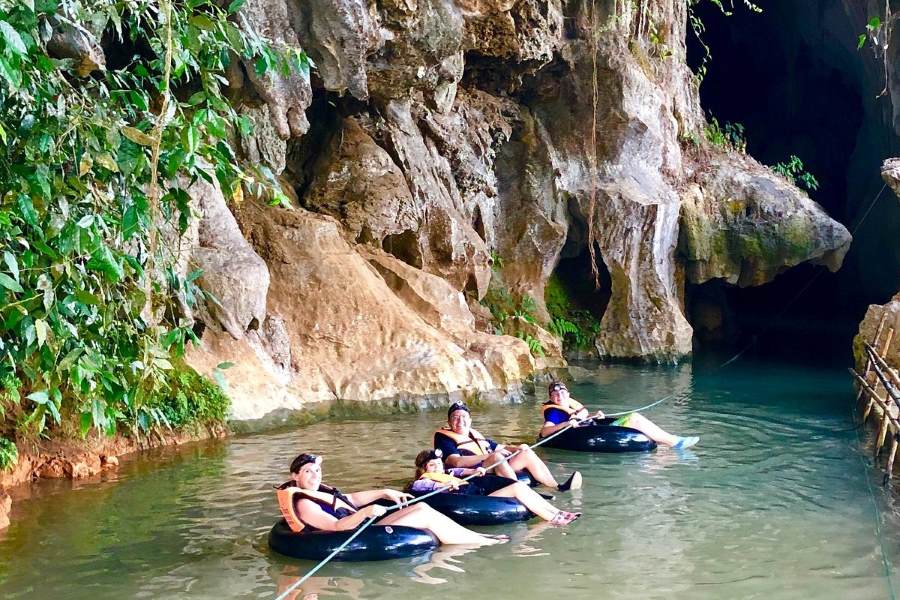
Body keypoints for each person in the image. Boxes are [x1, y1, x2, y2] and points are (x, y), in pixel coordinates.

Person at [276, 453, 506, 546]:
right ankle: (483, 542)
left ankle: (478, 536)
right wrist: (366, 512)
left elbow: (351, 499)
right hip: (356, 534)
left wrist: (385, 492)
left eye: (317, 470)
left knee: (422, 505)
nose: (315, 475)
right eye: (308, 471)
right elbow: (336, 526)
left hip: (364, 525)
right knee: (423, 514)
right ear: (295, 476)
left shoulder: (320, 491)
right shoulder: (304, 503)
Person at [434, 402, 582, 491]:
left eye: (463, 417)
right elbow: (455, 462)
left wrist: (518, 448)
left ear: (470, 420)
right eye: (455, 417)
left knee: (526, 452)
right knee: (496, 456)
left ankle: (557, 487)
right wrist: (489, 456)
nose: (460, 421)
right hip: (473, 473)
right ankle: (522, 493)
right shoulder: (443, 437)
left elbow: (499, 446)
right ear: (449, 421)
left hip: (493, 466)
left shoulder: (475, 435)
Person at [409, 448, 581, 525]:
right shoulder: (423, 481)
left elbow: (461, 471)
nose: (437, 468)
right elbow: (423, 486)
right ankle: (553, 519)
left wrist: (477, 470)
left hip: (476, 494)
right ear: (424, 469)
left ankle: (557, 512)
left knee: (518, 486)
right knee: (517, 488)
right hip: (472, 501)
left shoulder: (449, 473)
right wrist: (445, 485)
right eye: (432, 465)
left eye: (438, 464)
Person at [540, 381, 700, 449]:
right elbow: (545, 432)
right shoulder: (554, 412)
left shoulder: (570, 405)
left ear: (568, 394)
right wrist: (566, 424)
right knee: (634, 418)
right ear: (551, 398)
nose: (559, 396)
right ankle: (674, 442)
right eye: (554, 394)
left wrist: (595, 417)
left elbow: (582, 419)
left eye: (561, 392)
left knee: (634, 417)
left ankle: (670, 441)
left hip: (593, 428)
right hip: (586, 435)